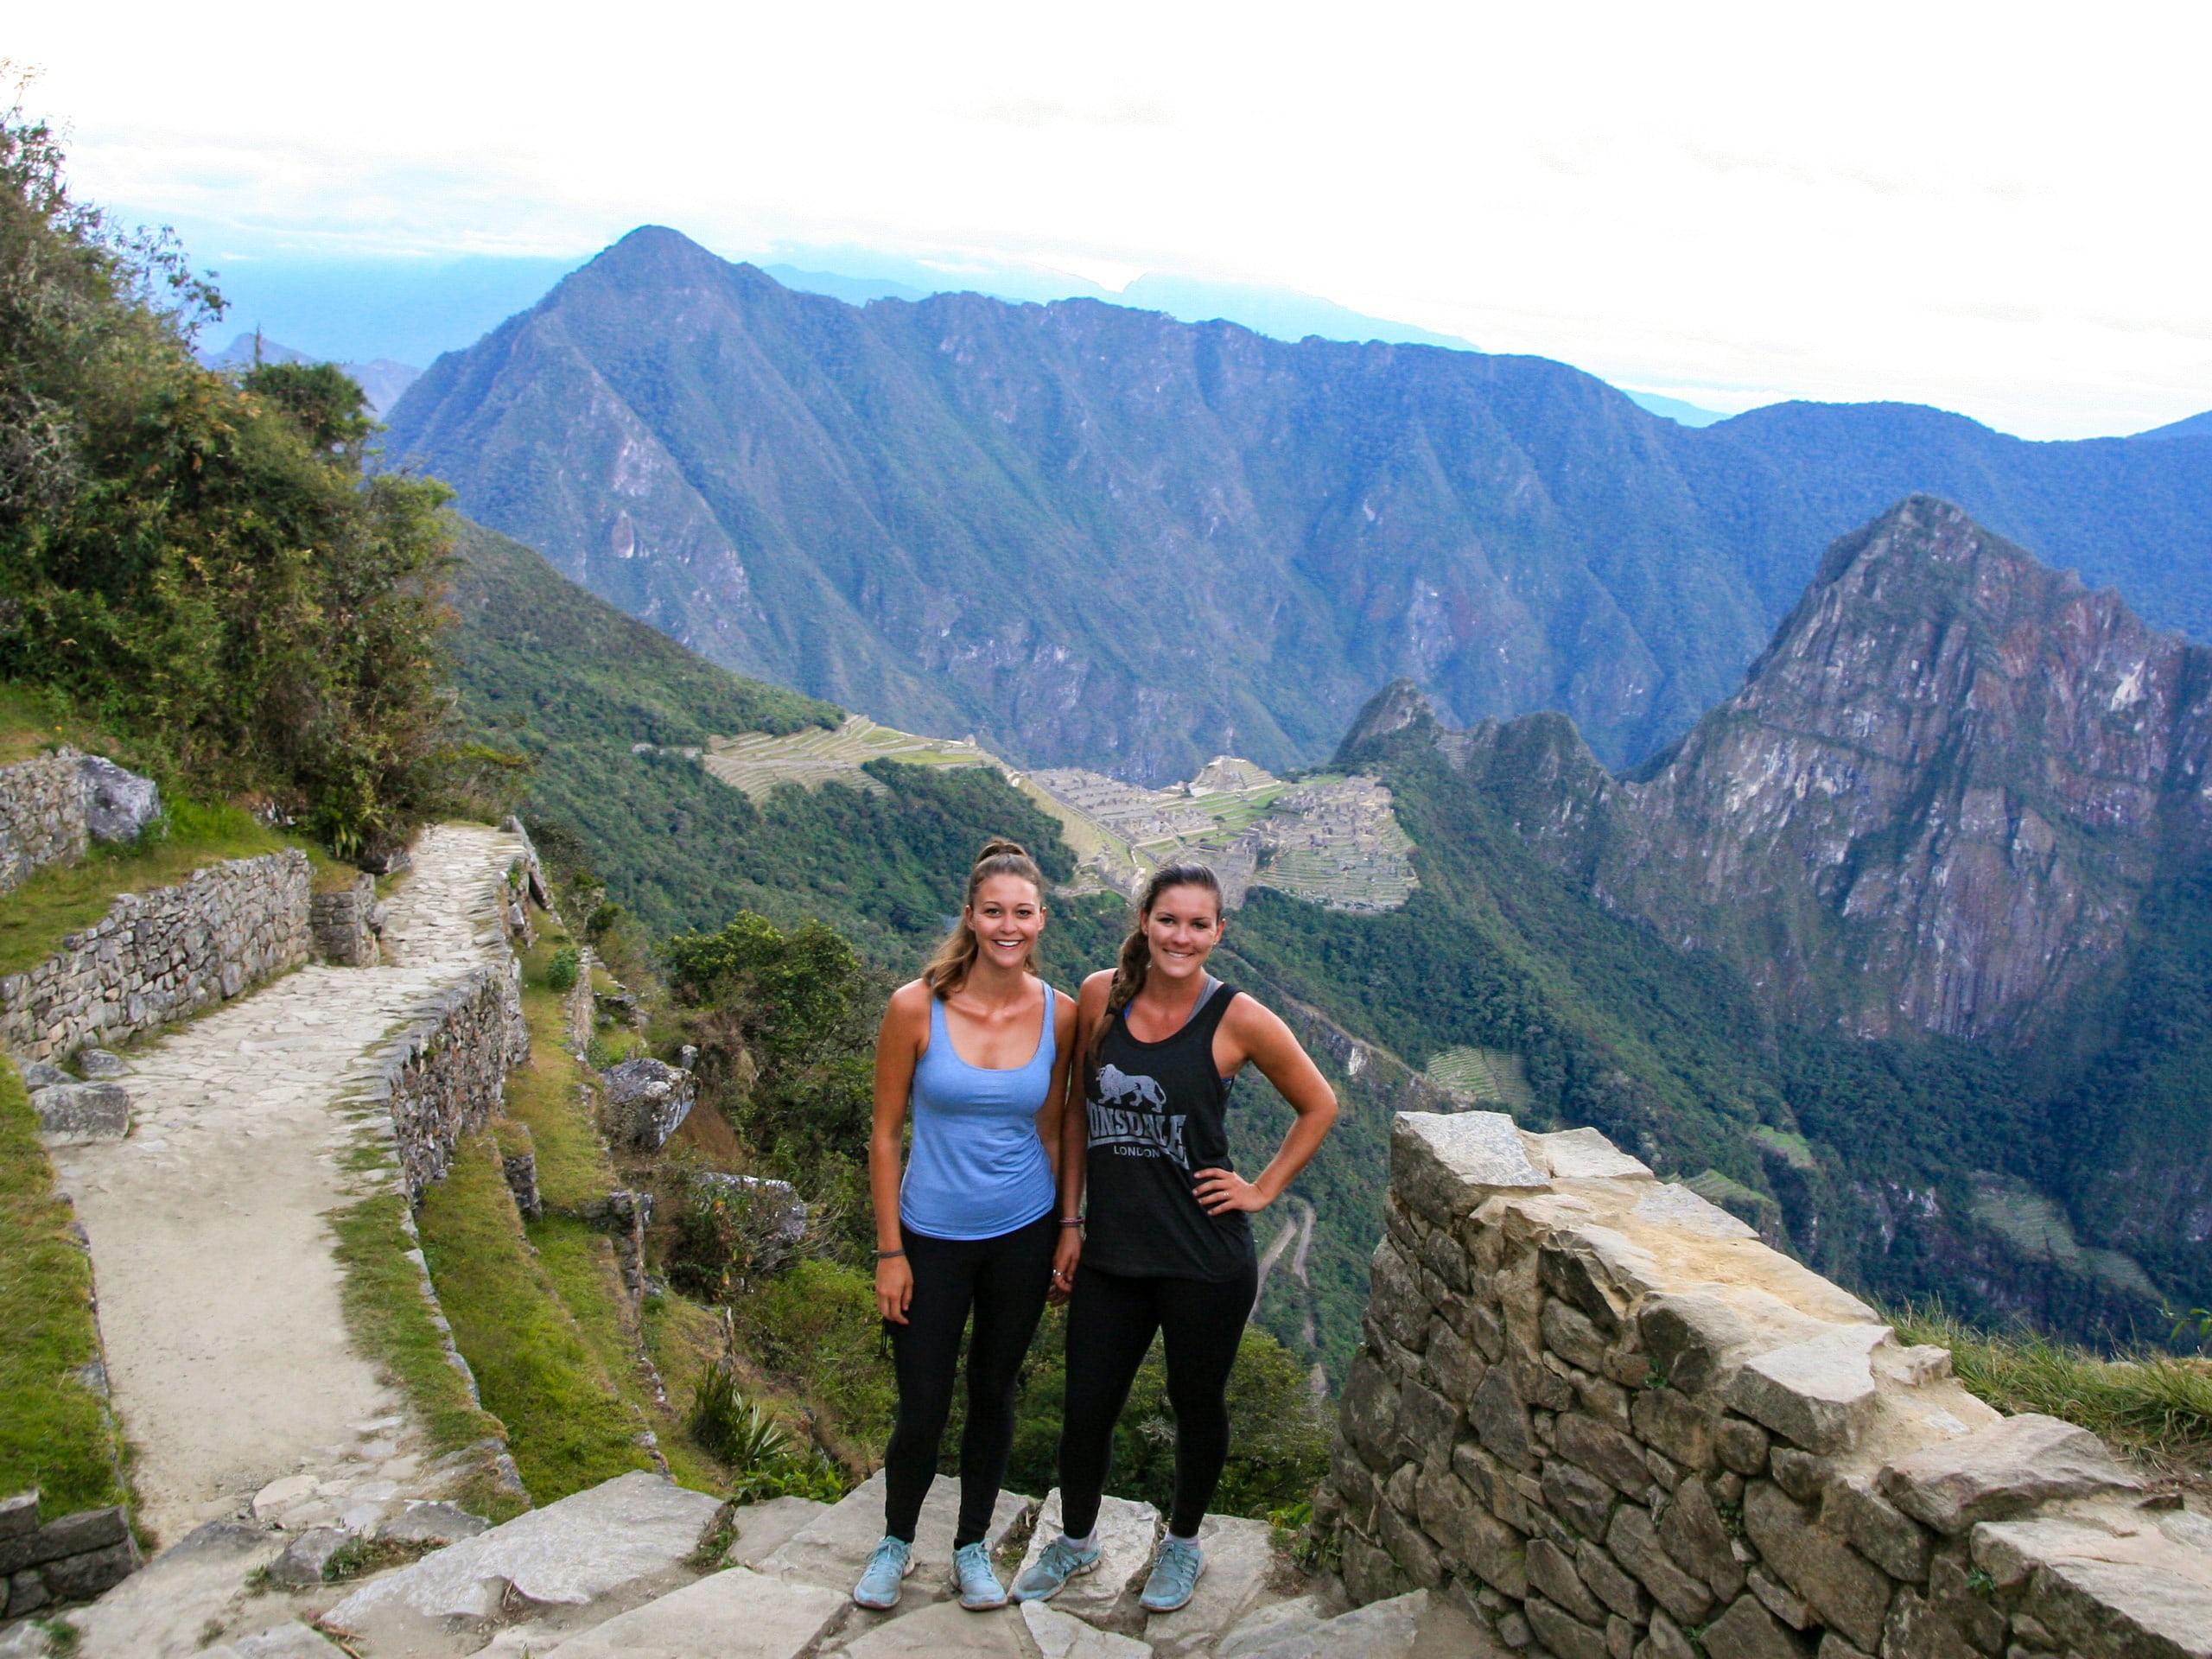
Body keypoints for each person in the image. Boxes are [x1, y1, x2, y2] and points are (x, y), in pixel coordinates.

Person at [1014, 862, 1338, 1613]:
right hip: (1112, 1255)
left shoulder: (1239, 1018)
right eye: (1168, 920)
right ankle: (1077, 1539)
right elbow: (1071, 1114)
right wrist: (1070, 1222)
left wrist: (1260, 1190)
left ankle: (1184, 1545)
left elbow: (1318, 1104)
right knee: (1087, 1406)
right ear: (1144, 921)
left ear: (1219, 932)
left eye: (1199, 924)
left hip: (1205, 1259)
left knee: (1198, 1405)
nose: (1181, 937)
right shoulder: (1100, 997)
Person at [853, 838, 1080, 1612]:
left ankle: (972, 1545)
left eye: (1022, 912)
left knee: (993, 1392)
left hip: (1021, 1230)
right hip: (928, 1235)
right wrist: (889, 1250)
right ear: (971, 917)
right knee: (922, 1404)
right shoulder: (914, 1006)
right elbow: (885, 1132)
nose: (1008, 926)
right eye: (994, 912)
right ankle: (895, 1541)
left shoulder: (1063, 1015)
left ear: (1041, 919)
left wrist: (1066, 1228)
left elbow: (1057, 1130)